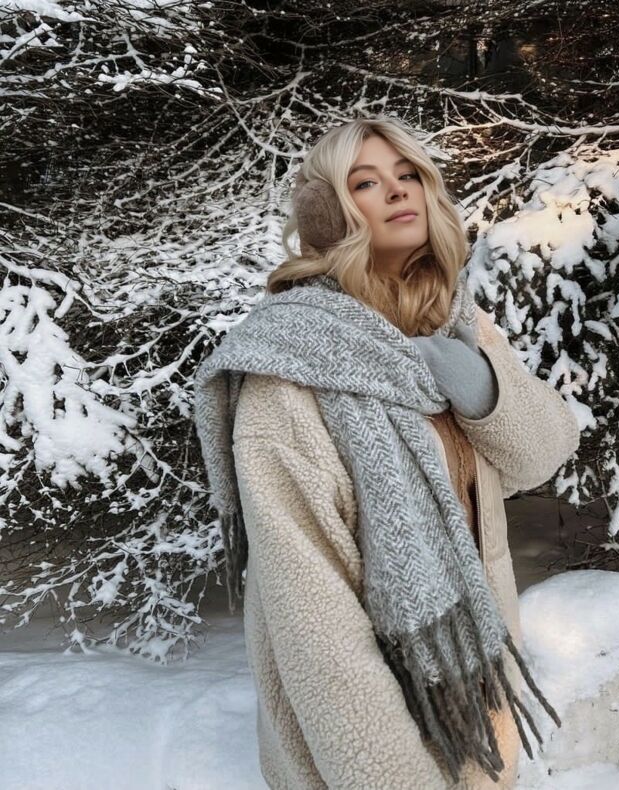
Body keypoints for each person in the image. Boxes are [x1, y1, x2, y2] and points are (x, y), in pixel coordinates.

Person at [193, 116, 581, 789]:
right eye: (366, 183)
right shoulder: (287, 371)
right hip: (369, 741)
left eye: (408, 175)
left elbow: (541, 456)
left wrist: (486, 390)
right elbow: (316, 630)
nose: (398, 192)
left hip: (475, 700)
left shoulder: (454, 322)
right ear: (329, 213)